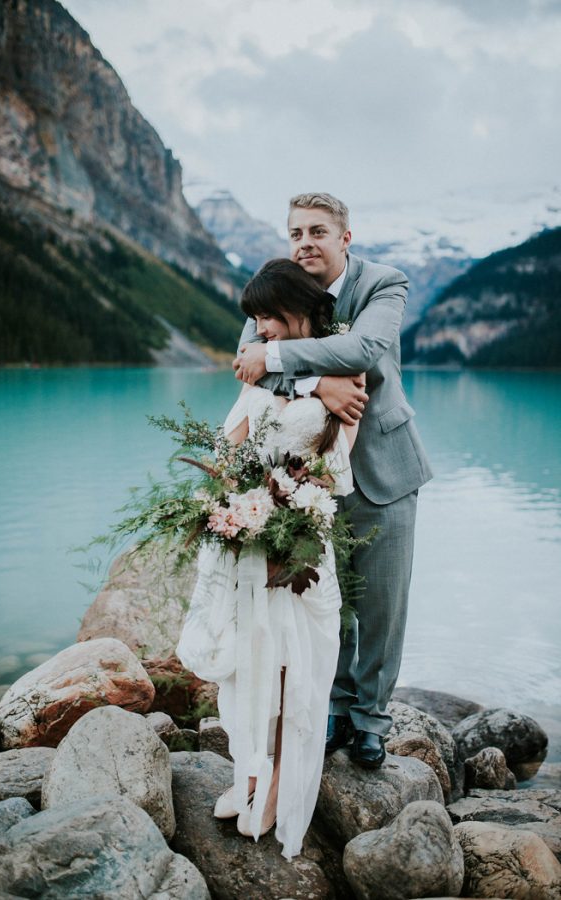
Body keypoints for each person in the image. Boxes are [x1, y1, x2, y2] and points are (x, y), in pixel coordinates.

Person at [234, 193, 433, 769]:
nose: (304, 243)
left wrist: (280, 362)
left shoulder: (383, 283)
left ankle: (371, 719)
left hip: (384, 470)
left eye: (317, 232)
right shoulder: (279, 289)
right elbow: (247, 361)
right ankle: (334, 711)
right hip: (310, 479)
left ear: (345, 238)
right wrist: (315, 387)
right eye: (295, 233)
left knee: (381, 606)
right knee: (328, 601)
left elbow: (365, 349)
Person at [176, 259, 357, 860]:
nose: (259, 330)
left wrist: (292, 508)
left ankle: (281, 783)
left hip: (299, 543)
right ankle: (249, 772)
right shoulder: (260, 369)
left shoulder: (342, 366)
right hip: (250, 542)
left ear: (298, 311)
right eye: (253, 319)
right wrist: (220, 505)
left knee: (293, 669)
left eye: (267, 317)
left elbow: (333, 473)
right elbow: (232, 449)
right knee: (249, 659)